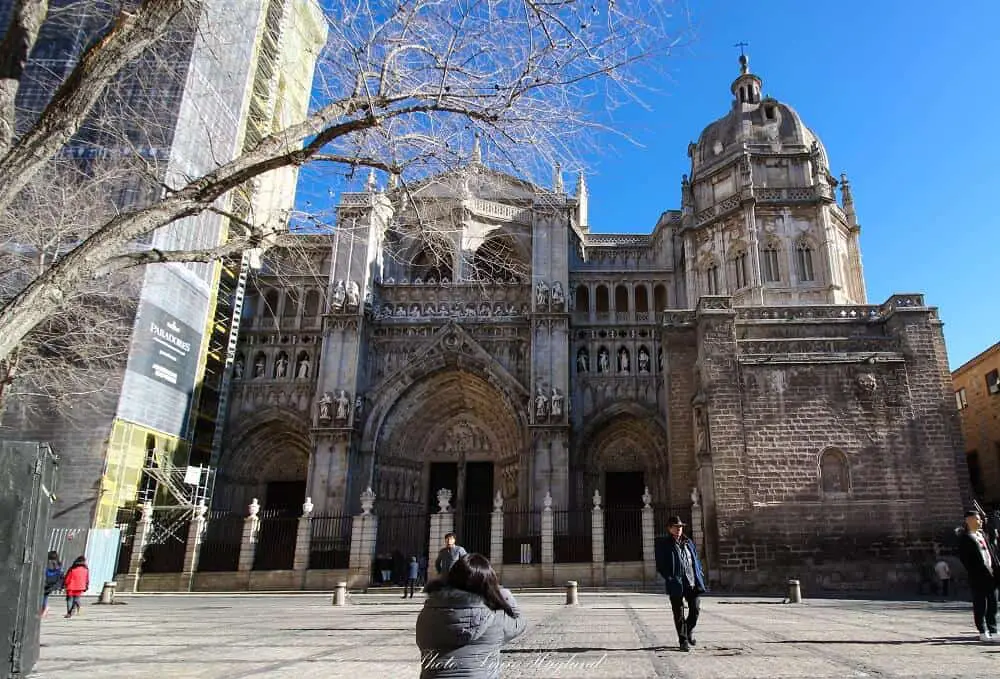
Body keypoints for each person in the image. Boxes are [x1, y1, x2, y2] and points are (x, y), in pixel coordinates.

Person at [416, 553, 526, 678]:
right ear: (488, 583)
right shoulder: (495, 619)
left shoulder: (426, 616)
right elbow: (520, 623)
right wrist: (505, 596)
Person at [654, 516, 707, 652]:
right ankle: (683, 640)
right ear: (669, 528)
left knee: (695, 609)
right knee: (679, 613)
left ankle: (688, 631)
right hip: (676, 582)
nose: (679, 529)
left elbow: (695, 559)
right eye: (676, 527)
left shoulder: (688, 542)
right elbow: (660, 564)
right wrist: (669, 578)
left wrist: (699, 572)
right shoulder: (664, 544)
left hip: (691, 581)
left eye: (680, 526)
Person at [958, 510, 999, 641]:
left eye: (980, 519)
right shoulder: (965, 538)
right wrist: (976, 572)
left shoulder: (982, 536)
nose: (980, 521)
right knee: (981, 604)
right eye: (977, 519)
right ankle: (982, 630)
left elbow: (991, 552)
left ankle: (993, 630)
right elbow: (966, 560)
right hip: (978, 576)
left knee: (993, 603)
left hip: (992, 574)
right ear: (968, 521)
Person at [42, 550, 63, 618]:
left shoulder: (50, 563)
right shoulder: (58, 564)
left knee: (44, 596)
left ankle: (44, 609)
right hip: (50, 583)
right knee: (44, 596)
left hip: (48, 582)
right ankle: (44, 609)